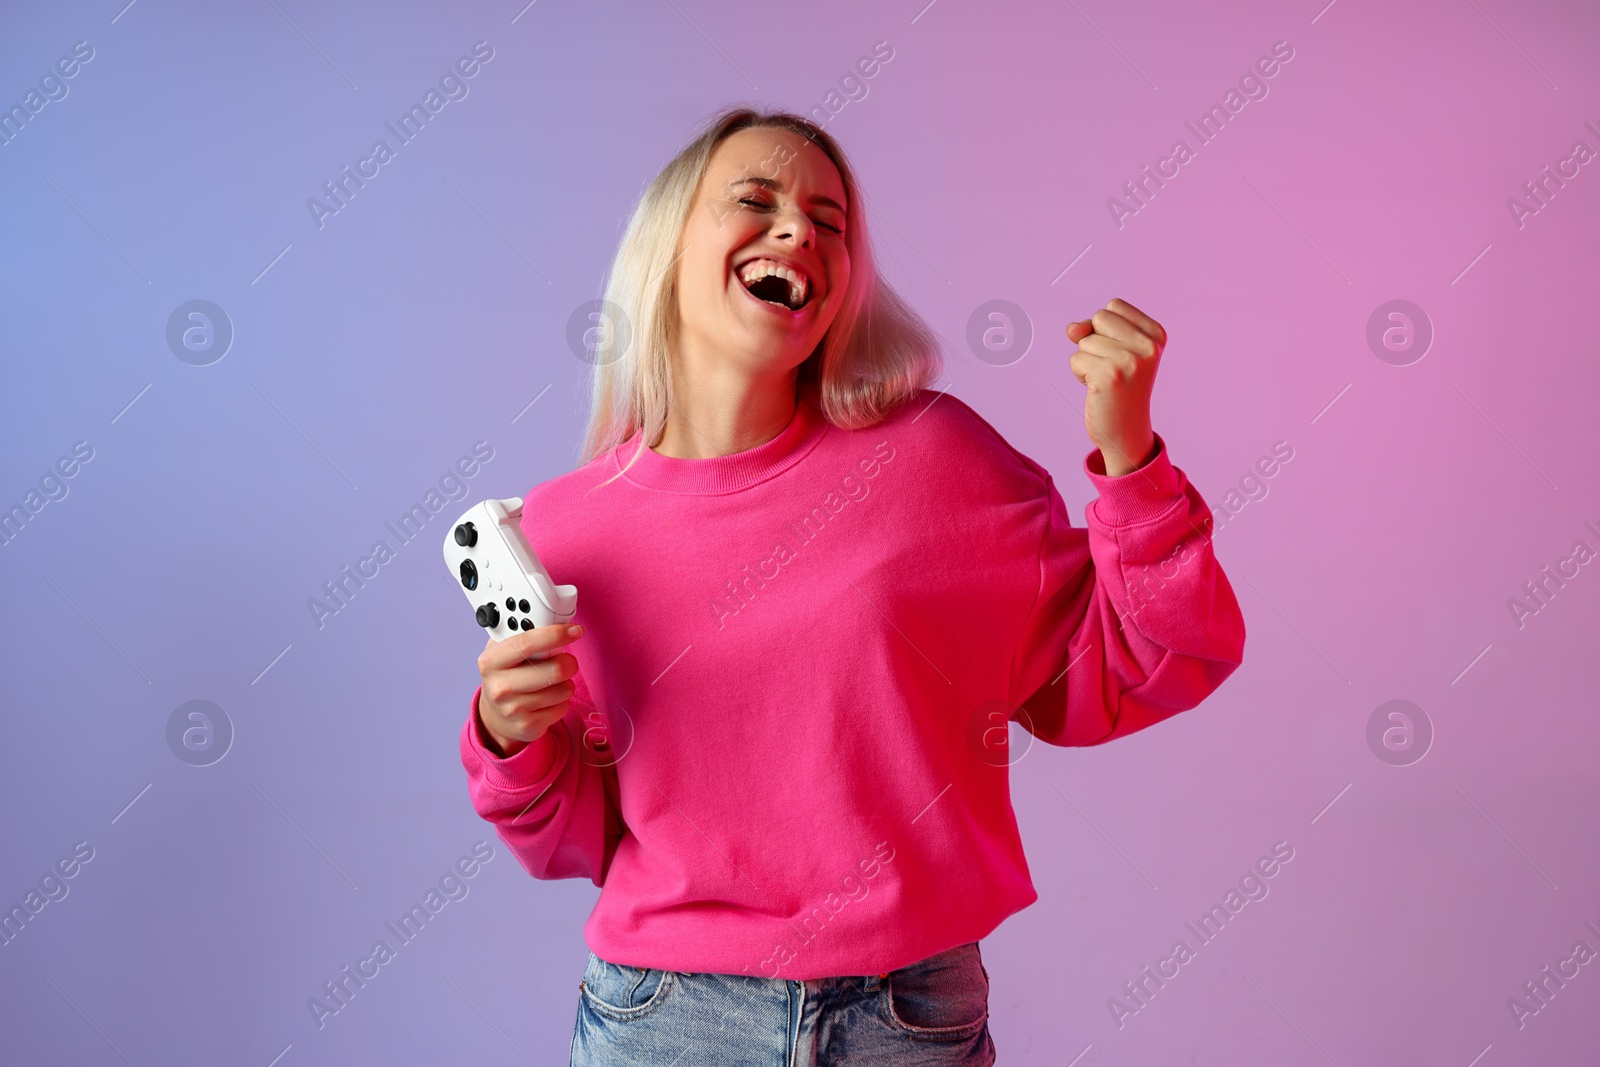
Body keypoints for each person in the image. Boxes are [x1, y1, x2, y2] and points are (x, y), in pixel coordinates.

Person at [458, 106, 1246, 1066]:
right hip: (666, 1022)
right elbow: (579, 842)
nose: (800, 232)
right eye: (757, 200)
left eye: (830, 223)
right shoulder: (568, 528)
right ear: (668, 245)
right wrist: (509, 739)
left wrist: (1130, 454)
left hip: (907, 1017)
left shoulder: (934, 461)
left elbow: (1156, 657)